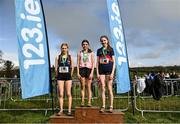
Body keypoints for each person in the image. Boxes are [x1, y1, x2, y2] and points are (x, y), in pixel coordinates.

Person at [96, 35, 115, 113]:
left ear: (107, 40)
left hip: (109, 71)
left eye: (104, 40)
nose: (103, 42)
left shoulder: (111, 49)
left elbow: (114, 62)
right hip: (101, 72)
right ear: (101, 42)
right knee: (103, 88)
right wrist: (97, 73)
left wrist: (112, 73)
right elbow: (97, 63)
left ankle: (111, 106)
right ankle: (103, 106)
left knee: (109, 88)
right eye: (102, 40)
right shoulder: (99, 50)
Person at [55, 43, 74, 116]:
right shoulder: (58, 57)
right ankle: (61, 110)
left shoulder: (70, 57)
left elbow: (72, 67)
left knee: (68, 93)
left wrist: (71, 74)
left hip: (68, 77)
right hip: (60, 77)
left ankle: (69, 110)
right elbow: (56, 68)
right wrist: (57, 75)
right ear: (61, 49)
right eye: (62, 48)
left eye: (65, 48)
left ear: (67, 49)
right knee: (61, 94)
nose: (64, 49)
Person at [77, 40, 95, 107]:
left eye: (86, 44)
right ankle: (82, 101)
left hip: (89, 69)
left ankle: (89, 102)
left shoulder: (91, 53)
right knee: (82, 87)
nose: (85, 45)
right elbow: (78, 63)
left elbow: (93, 64)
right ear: (82, 45)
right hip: (82, 69)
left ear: (88, 45)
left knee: (88, 87)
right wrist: (78, 73)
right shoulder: (79, 53)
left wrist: (92, 73)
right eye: (83, 44)